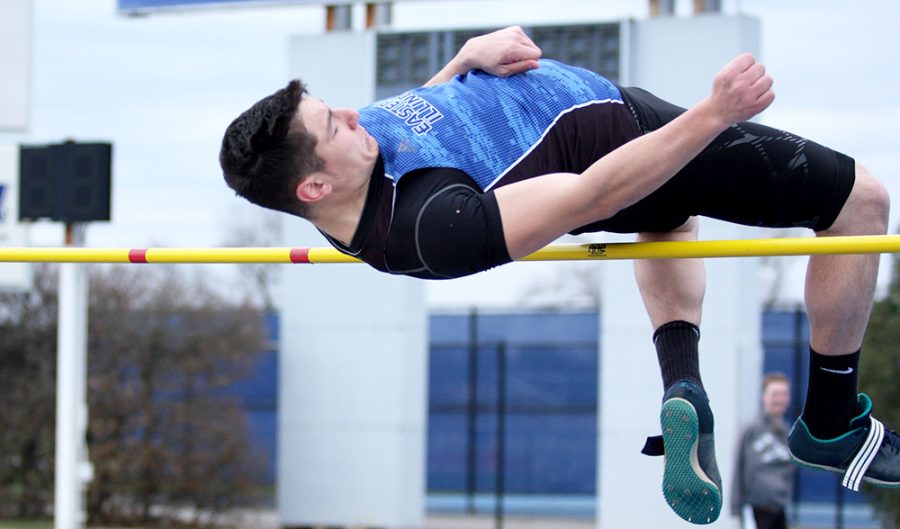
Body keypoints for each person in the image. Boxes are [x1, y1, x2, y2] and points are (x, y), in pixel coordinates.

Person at [219, 26, 899, 524]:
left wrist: (463, 61)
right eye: (332, 127)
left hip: (596, 124)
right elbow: (595, 195)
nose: (349, 114)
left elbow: (416, 134)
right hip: (616, 132)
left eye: (330, 107)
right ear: (312, 186)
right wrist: (711, 115)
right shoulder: (437, 229)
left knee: (670, 219)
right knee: (860, 201)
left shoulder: (347, 171)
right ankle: (831, 421)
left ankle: (683, 383)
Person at [731, 373, 796, 529]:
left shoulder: (788, 432)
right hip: (756, 508)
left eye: (784, 395)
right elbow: (739, 467)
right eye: (775, 394)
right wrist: (736, 505)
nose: (779, 399)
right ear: (764, 396)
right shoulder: (751, 429)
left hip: (780, 507)